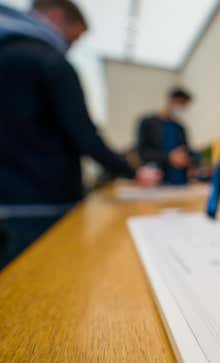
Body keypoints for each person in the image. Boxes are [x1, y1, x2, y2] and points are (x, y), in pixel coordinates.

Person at [0, 0, 160, 270]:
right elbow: (84, 135)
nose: (72, 45)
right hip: (45, 203)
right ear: (57, 17)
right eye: (74, 37)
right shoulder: (49, 61)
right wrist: (133, 172)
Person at [136, 87, 199, 185]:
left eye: (184, 106)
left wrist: (191, 160)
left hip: (180, 183)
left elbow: (187, 150)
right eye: (180, 103)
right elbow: (142, 152)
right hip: (155, 181)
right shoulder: (148, 122)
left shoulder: (180, 128)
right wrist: (169, 157)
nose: (182, 108)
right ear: (170, 100)